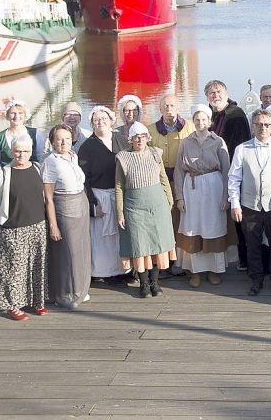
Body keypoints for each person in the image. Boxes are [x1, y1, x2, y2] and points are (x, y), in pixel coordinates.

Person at [227, 109, 271, 297]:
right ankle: (256, 279)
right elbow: (234, 178)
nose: (263, 128)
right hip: (250, 205)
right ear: (253, 126)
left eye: (267, 124)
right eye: (259, 124)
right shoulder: (242, 149)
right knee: (252, 245)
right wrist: (235, 203)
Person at [0, 133, 49, 321]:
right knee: (14, 268)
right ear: (12, 152)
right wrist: (3, 221)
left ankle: (36, 300)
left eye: (25, 151)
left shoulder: (38, 168)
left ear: (31, 151)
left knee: (37, 265)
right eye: (17, 151)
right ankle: (12, 304)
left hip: (37, 225)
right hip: (13, 227)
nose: (21, 155)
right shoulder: (4, 173)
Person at [115, 122, 177, 298]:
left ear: (147, 138)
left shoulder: (155, 153)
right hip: (134, 207)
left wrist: (169, 201)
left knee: (158, 243)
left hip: (157, 205)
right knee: (140, 245)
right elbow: (119, 186)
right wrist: (120, 212)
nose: (140, 140)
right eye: (136, 137)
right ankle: (143, 283)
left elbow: (163, 179)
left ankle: (155, 282)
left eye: (143, 136)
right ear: (131, 139)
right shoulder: (123, 158)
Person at [173, 104, 232, 288]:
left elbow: (226, 171)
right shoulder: (186, 142)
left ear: (210, 121)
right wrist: (179, 198)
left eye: (204, 119)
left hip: (213, 188)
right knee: (193, 226)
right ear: (193, 121)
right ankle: (194, 272)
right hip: (192, 188)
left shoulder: (218, 141)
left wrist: (225, 197)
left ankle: (214, 270)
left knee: (213, 226)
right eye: (197, 120)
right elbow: (178, 172)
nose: (200, 123)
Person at [42, 124, 91, 309]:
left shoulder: (73, 156)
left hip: (81, 206)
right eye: (60, 139)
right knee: (67, 253)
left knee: (82, 251)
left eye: (68, 139)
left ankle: (80, 289)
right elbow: (48, 198)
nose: (64, 142)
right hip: (64, 208)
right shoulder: (50, 162)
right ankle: (66, 293)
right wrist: (53, 225)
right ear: (53, 141)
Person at [206, 80, 253, 270]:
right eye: (211, 93)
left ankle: (245, 258)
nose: (215, 95)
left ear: (226, 93)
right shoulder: (206, 115)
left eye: (218, 92)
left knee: (238, 215)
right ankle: (216, 257)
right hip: (210, 174)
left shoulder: (236, 114)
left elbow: (240, 145)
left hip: (233, 171)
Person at [78, 106, 126, 285]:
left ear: (112, 120)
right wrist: (92, 202)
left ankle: (122, 269)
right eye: (96, 120)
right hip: (100, 196)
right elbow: (83, 178)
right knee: (102, 238)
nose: (101, 122)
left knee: (119, 235)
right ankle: (104, 272)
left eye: (104, 118)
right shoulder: (87, 147)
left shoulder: (121, 140)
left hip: (119, 194)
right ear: (91, 124)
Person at [148, 94, 194, 275]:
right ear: (160, 109)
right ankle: (163, 260)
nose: (169, 109)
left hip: (184, 178)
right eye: (165, 106)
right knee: (163, 219)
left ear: (178, 107)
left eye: (172, 105)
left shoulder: (189, 127)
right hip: (160, 179)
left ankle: (184, 260)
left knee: (184, 219)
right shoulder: (151, 130)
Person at [0, 100, 40, 166]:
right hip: (8, 174)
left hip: (31, 172)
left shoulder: (35, 134)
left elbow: (41, 157)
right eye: (13, 113)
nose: (17, 116)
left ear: (25, 115)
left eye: (20, 113)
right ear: (7, 115)